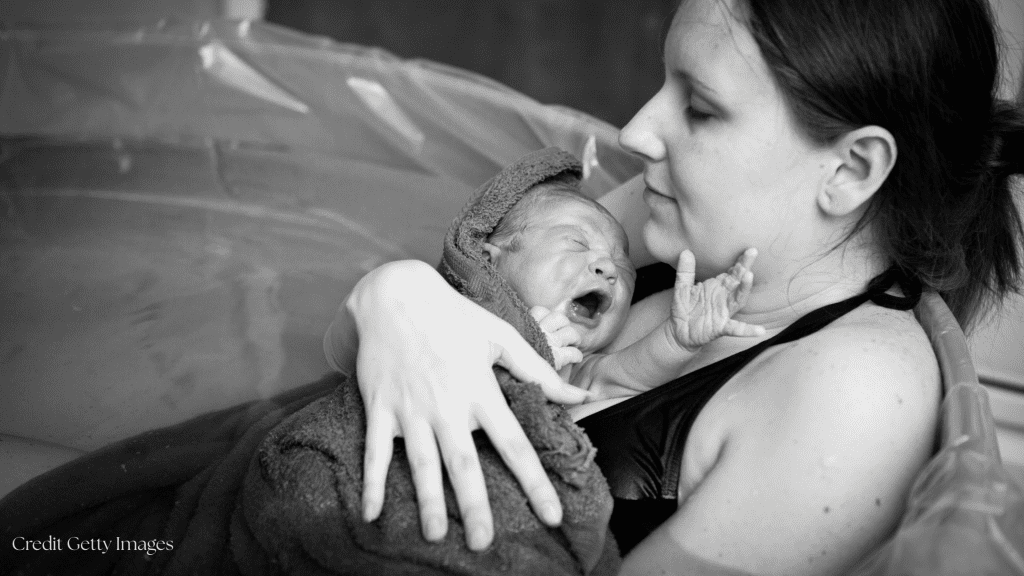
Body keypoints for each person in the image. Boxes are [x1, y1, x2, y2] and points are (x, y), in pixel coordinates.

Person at [329, 0, 1024, 573]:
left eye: (701, 108)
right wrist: (395, 299)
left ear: (849, 169)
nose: (636, 131)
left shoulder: (853, 393)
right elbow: (389, 341)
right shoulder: (682, 222)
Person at [477, 177, 764, 406]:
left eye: (622, 263)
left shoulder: (576, 366)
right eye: (578, 243)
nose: (609, 269)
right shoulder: (460, 315)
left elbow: (620, 375)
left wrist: (677, 341)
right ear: (490, 261)